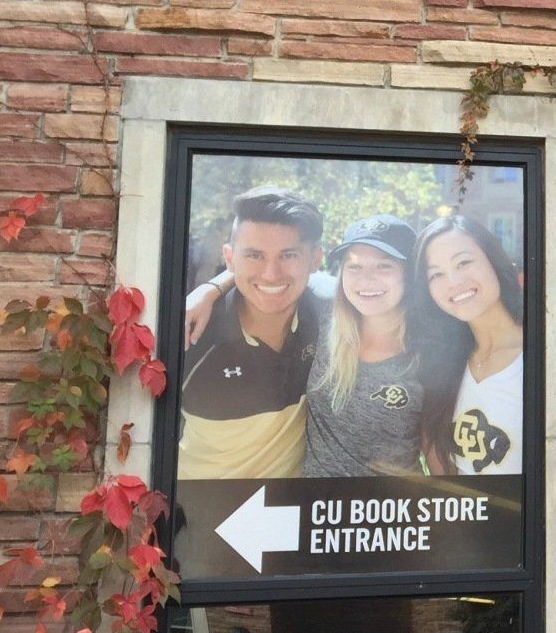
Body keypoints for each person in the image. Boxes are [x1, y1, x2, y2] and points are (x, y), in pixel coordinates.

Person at [178, 187, 325, 480]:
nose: (271, 273)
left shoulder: (329, 319)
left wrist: (213, 287)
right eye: (255, 255)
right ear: (230, 258)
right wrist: (210, 290)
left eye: (288, 255)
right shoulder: (192, 331)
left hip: (289, 505)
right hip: (195, 505)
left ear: (315, 259)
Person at [301, 215, 426, 478]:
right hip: (316, 501)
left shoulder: (427, 353)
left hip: (390, 503)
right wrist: (212, 290)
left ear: (409, 274)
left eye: (384, 266)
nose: (366, 280)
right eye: (354, 267)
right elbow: (269, 274)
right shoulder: (322, 316)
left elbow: (441, 454)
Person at [414, 214, 524, 476]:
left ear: (493, 260)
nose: (454, 281)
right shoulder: (443, 367)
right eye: (436, 274)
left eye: (463, 262)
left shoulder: (541, 356)